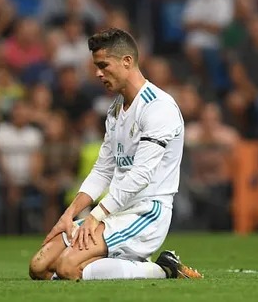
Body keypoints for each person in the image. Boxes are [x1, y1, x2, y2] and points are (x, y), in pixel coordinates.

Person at [28, 28, 202, 281]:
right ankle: (114, 261)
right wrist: (69, 214)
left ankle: (163, 270)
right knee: (39, 267)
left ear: (127, 61)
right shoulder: (115, 109)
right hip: (114, 211)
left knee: (67, 267)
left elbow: (141, 174)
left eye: (103, 65)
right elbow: (103, 170)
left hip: (146, 213)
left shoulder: (158, 107)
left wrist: (96, 215)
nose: (98, 73)